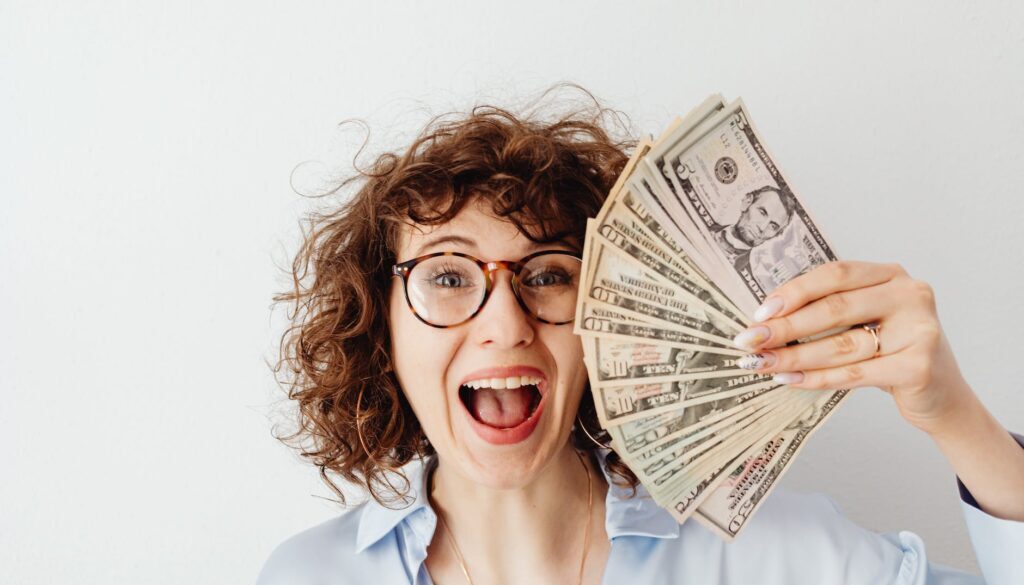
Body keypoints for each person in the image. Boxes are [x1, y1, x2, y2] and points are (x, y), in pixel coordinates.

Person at [257, 91, 1024, 585]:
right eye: (449, 277)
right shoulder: (307, 575)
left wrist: (954, 413)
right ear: (381, 330)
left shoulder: (775, 555)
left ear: (612, 318)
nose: (504, 323)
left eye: (549, 274)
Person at [709, 185, 798, 274]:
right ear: (747, 203)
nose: (762, 227)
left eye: (773, 226)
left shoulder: (746, 278)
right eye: (762, 213)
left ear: (776, 235)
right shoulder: (706, 225)